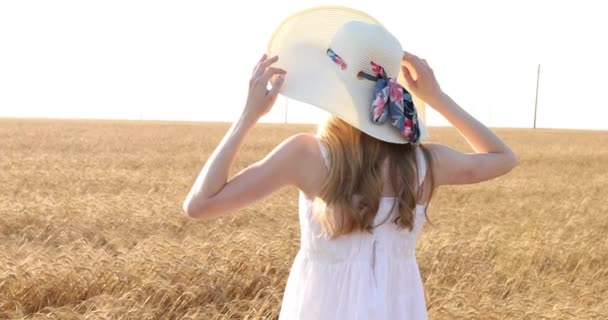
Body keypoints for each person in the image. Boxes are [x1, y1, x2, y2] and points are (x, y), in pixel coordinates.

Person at [182, 6, 517, 320]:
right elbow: (503, 157)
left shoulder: (306, 155)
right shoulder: (425, 162)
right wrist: (436, 97)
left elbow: (200, 204)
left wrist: (248, 115)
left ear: (333, 87)